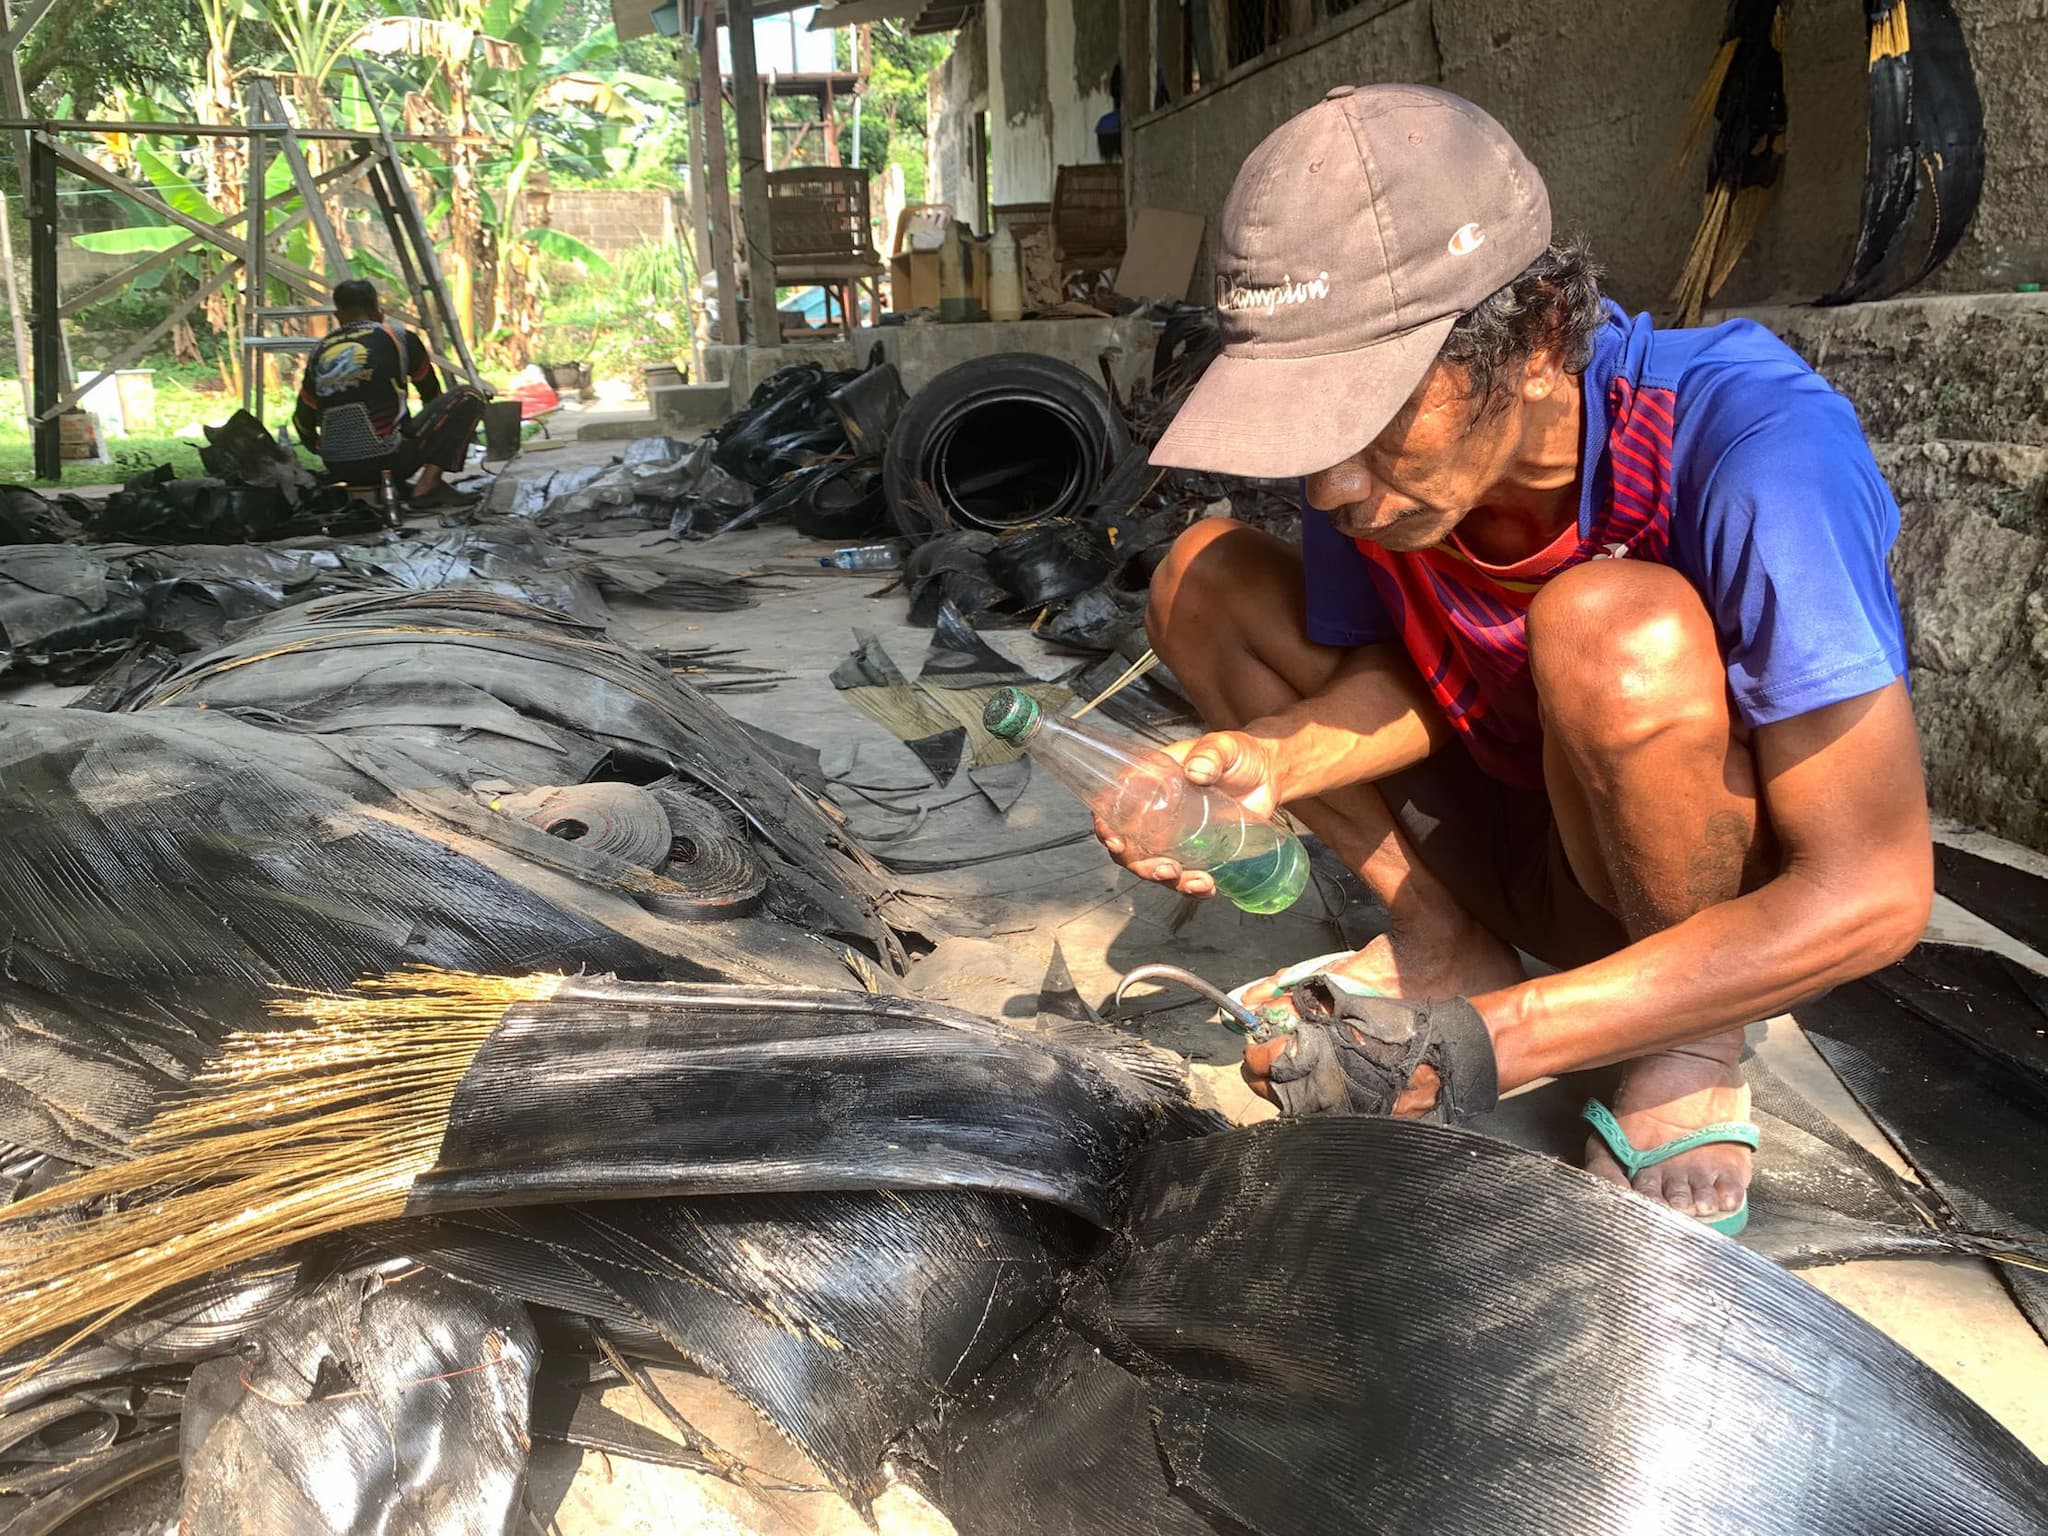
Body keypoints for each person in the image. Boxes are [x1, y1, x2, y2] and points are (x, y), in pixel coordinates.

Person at [1120, 84, 1932, 1236]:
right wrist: (1267, 760)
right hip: (1505, 822)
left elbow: (1874, 891)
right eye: (1305, 432)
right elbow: (1399, 682)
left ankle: (1686, 1039)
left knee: (1609, 627)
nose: (1329, 489)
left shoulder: (1754, 452)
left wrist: (1486, 1049)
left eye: (1370, 414)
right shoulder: (1377, 490)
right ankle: (1443, 942)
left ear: (1540, 336)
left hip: (1673, 888)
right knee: (1201, 569)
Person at [292, 279, 487, 509]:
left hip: (338, 466)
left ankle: (374, 479)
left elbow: (301, 420)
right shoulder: (399, 337)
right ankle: (428, 487)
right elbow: (431, 395)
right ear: (379, 312)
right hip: (390, 459)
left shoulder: (320, 350)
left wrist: (330, 449)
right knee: (469, 396)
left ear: (338, 316)